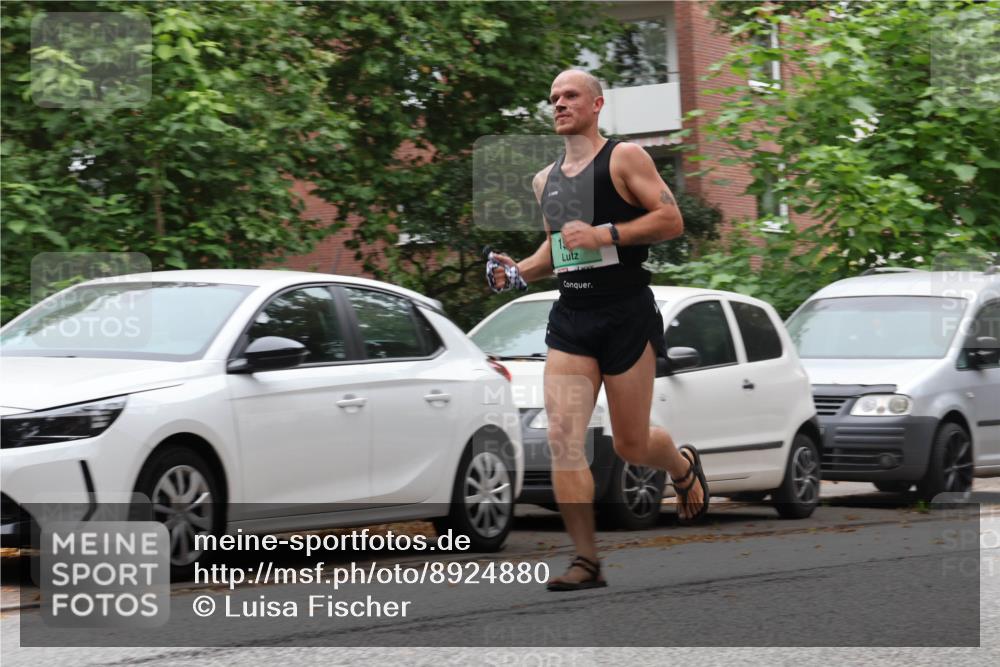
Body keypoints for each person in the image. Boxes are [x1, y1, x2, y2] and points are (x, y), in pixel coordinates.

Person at [488, 69, 708, 591]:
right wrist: (518, 272)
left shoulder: (624, 158)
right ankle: (586, 561)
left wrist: (605, 233)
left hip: (626, 313)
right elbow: (557, 251)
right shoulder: (544, 180)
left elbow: (671, 220)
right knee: (563, 438)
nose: (559, 104)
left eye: (570, 96)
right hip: (573, 318)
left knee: (631, 445)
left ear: (596, 105)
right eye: (553, 97)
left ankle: (680, 466)